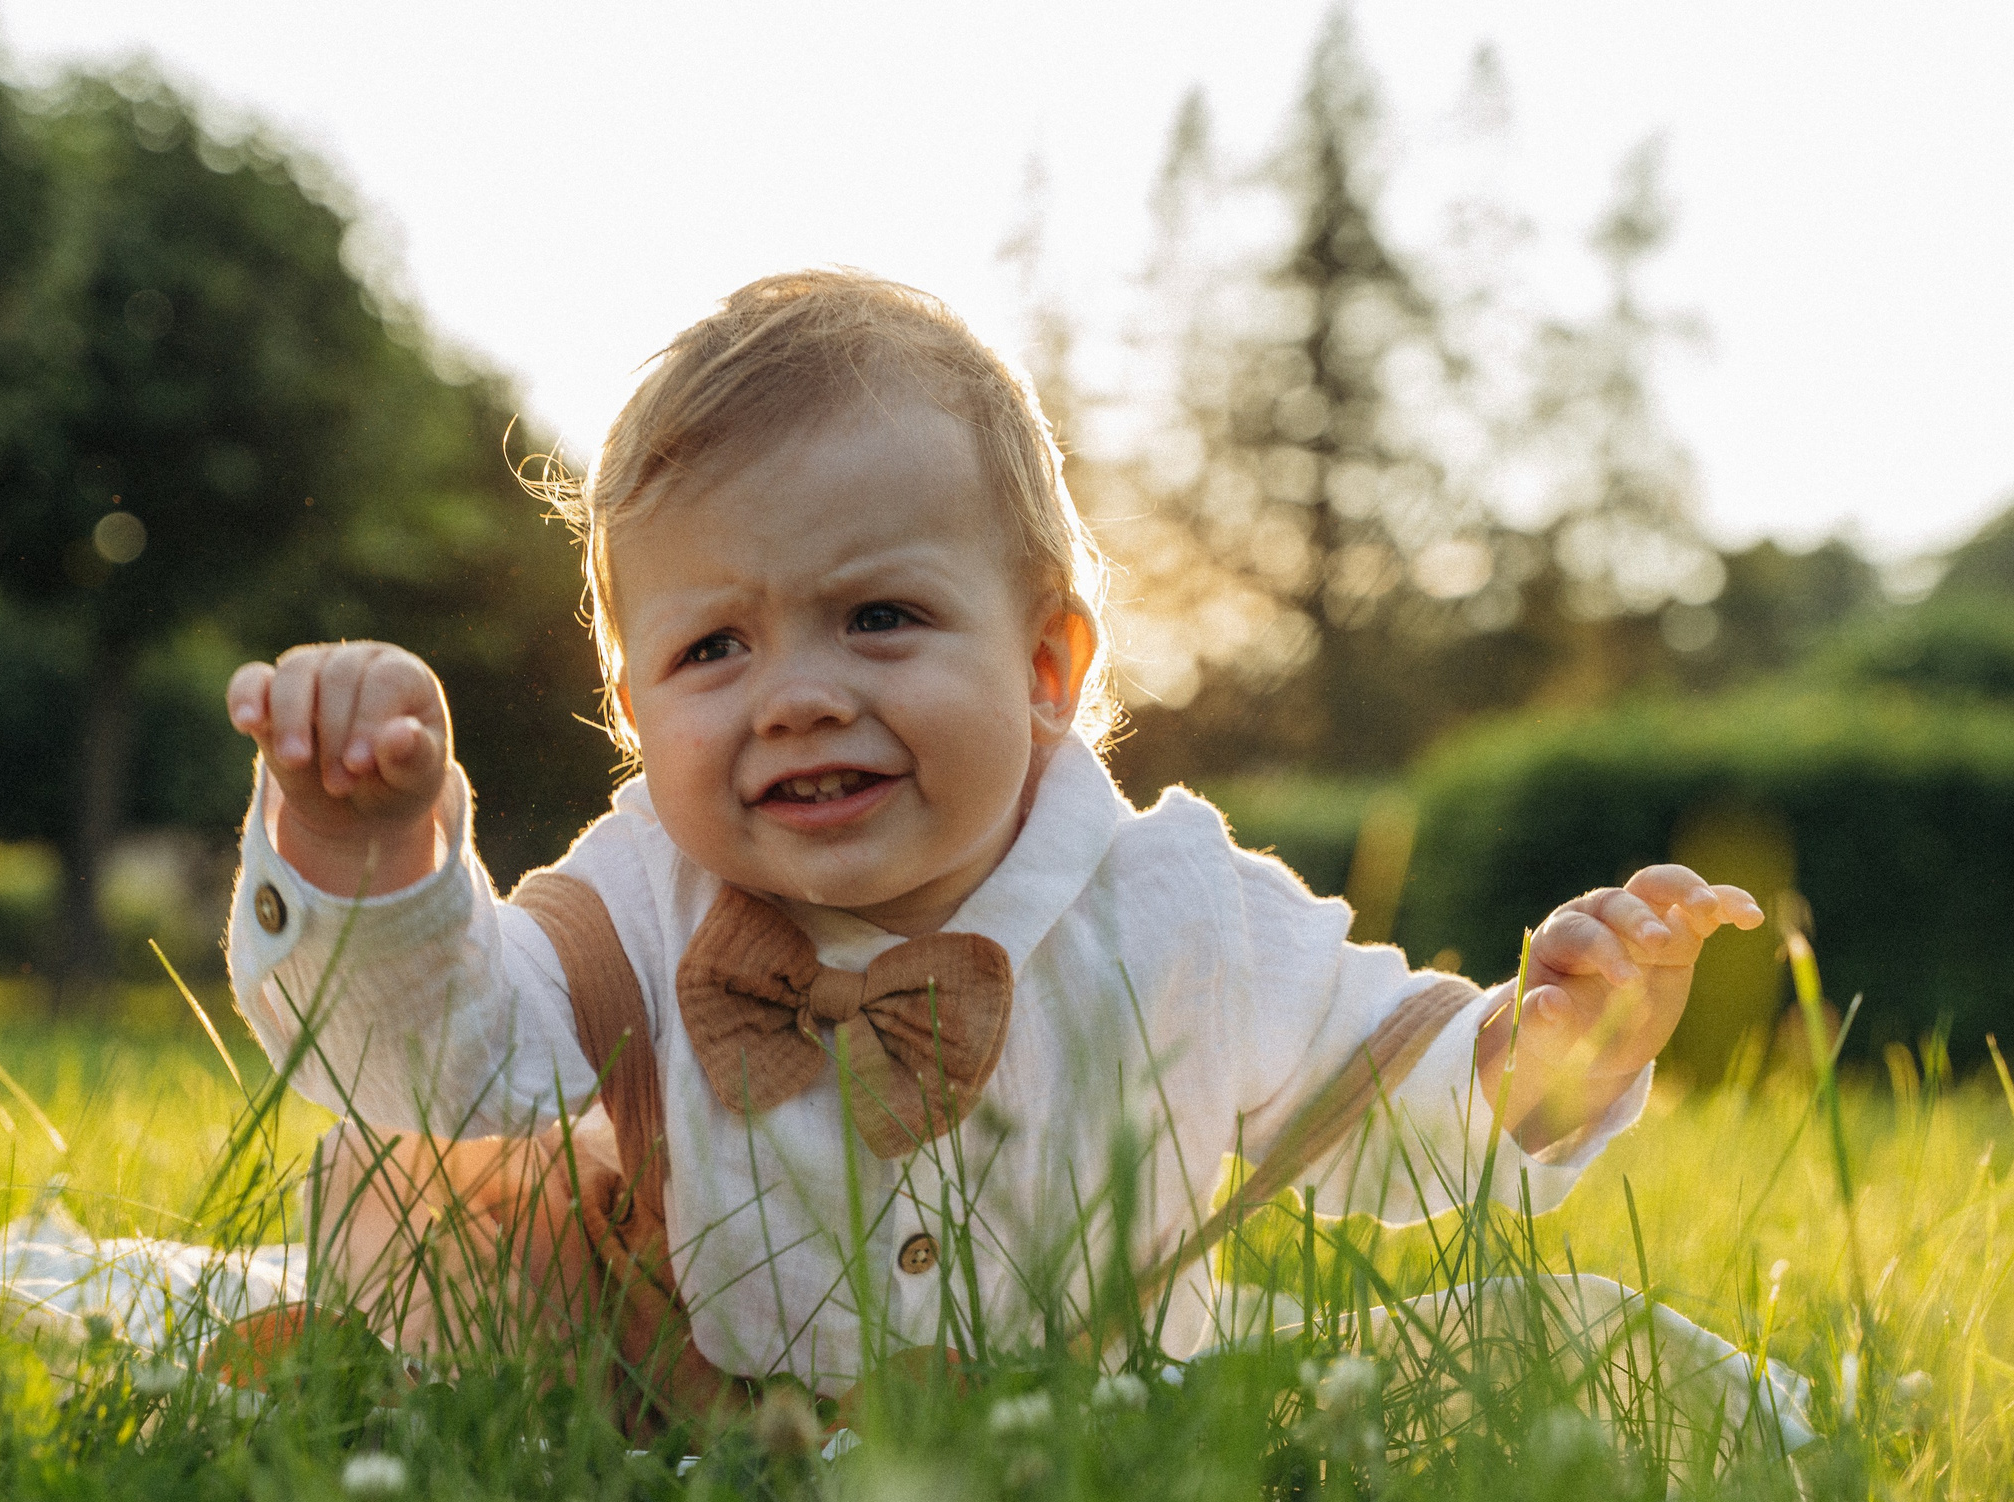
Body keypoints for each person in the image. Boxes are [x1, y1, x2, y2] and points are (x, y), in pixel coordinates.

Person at [219, 270, 1763, 1400]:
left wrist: (1551, 1044)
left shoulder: (1177, 906)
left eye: (878, 618)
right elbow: (449, 1065)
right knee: (442, 1251)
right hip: (692, 1420)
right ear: (632, 709)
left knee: (1541, 1374)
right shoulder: (642, 890)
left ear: (1046, 668)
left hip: (1099, 1425)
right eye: (715, 652)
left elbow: (1389, 1107)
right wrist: (377, 863)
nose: (799, 698)